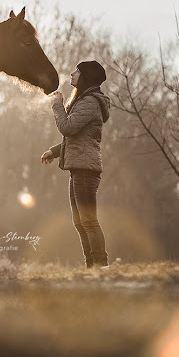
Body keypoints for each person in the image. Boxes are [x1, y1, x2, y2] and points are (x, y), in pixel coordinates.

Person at [41, 60, 111, 268]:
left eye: (77, 72)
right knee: (80, 222)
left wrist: (57, 105)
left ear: (86, 76)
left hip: (85, 170)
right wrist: (54, 152)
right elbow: (76, 138)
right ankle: (92, 266)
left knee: (88, 221)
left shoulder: (89, 102)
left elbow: (68, 128)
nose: (72, 74)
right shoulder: (84, 101)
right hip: (79, 168)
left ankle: (100, 265)